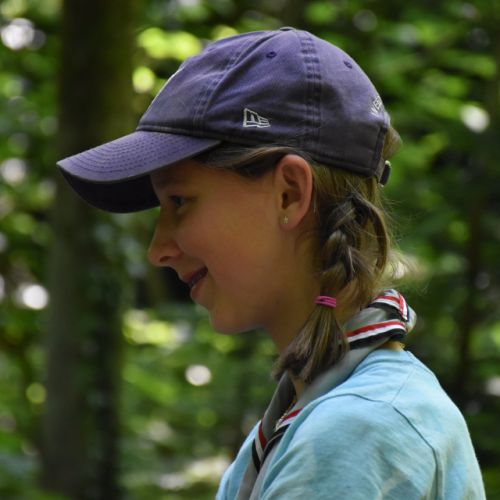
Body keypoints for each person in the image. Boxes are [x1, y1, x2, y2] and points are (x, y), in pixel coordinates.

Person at [57, 28, 485, 499]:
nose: (157, 249)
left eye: (179, 201)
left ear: (290, 194)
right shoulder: (317, 410)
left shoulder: (356, 430)